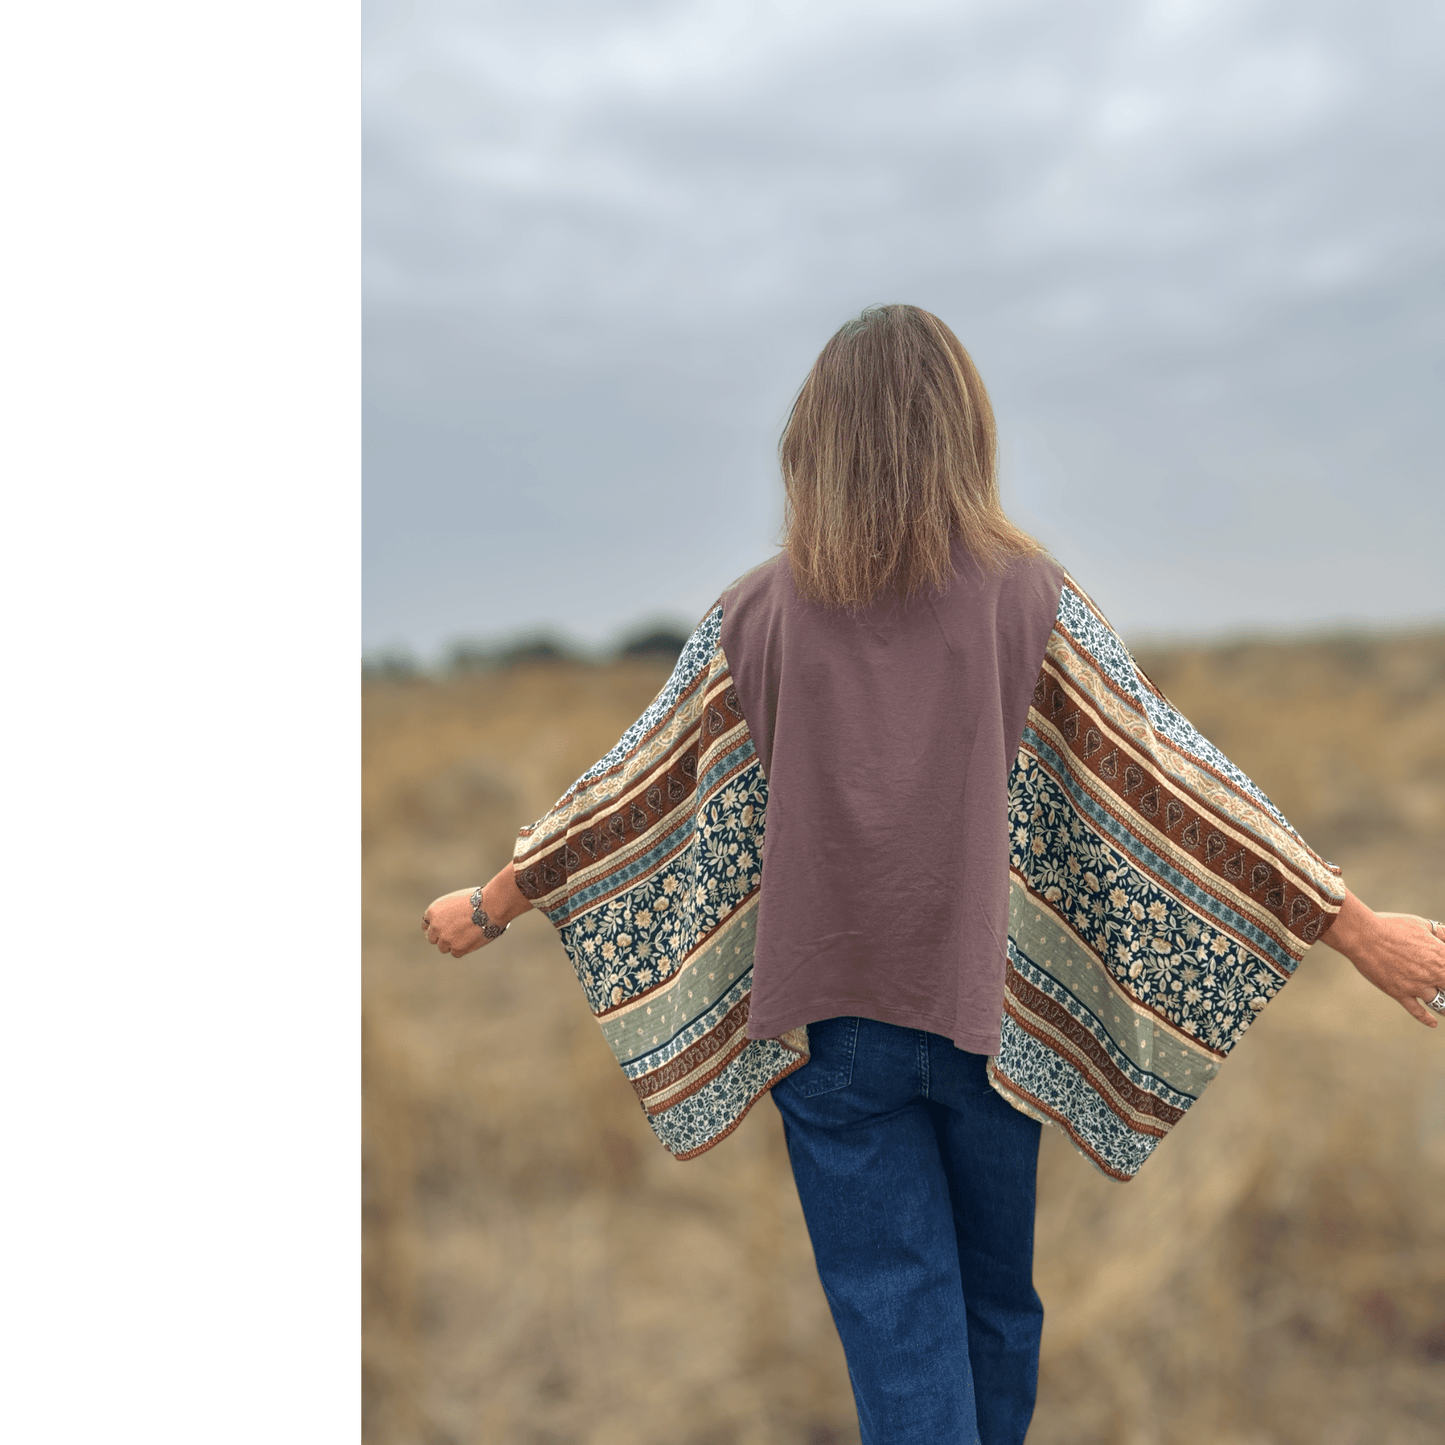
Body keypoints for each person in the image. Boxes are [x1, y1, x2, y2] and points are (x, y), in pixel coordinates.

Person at [420, 304, 1445, 1445]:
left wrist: (491, 902)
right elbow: (1177, 777)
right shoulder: (1029, 598)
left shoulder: (752, 613)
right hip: (984, 1025)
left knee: (903, 1325)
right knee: (995, 1313)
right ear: (961, 434)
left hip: (828, 1040)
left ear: (815, 442)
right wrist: (1353, 927)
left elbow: (627, 788)